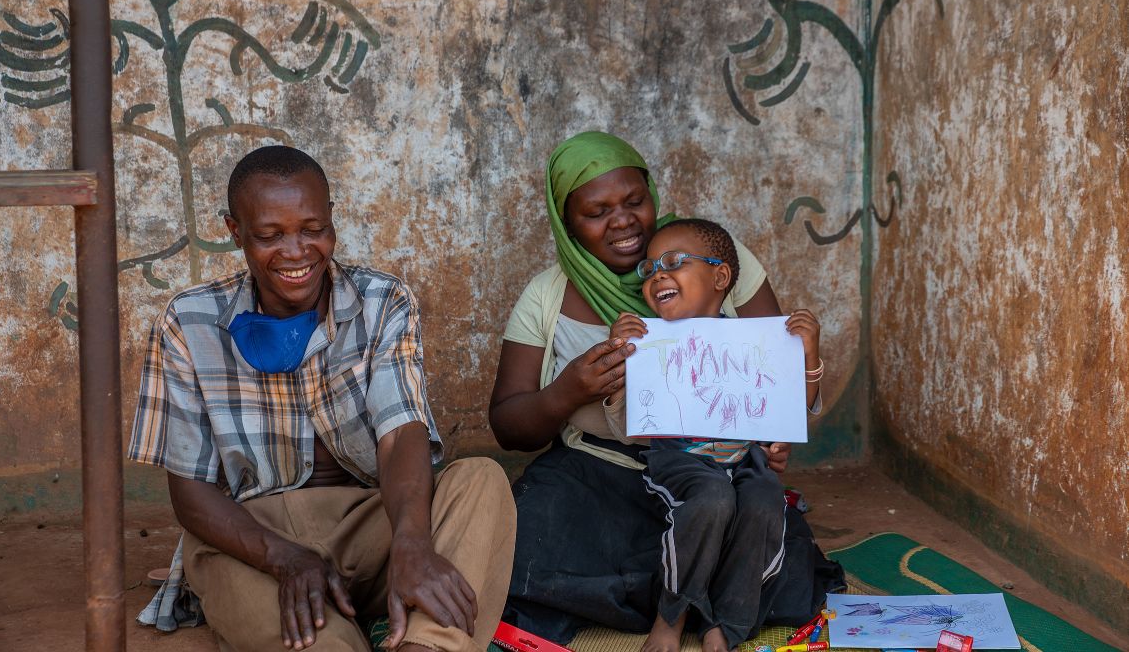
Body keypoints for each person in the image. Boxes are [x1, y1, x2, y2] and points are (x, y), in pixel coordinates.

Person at [128, 146, 516, 652]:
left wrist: (411, 543)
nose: (296, 252)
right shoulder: (189, 321)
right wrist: (286, 559)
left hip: (370, 522)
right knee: (316, 641)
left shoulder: (383, 301)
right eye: (269, 236)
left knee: (480, 480)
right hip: (250, 542)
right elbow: (191, 496)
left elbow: (401, 435)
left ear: (332, 221)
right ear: (234, 231)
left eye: (313, 229)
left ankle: (426, 645)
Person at [489, 131, 843, 645]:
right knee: (526, 539)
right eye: (596, 212)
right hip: (598, 473)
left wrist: (772, 433)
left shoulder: (714, 256)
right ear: (566, 224)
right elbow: (507, 423)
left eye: (635, 201)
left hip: (713, 467)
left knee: (765, 528)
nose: (623, 220)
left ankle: (683, 603)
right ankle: (687, 603)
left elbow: (773, 367)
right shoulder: (546, 296)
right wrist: (566, 392)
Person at [604, 218, 823, 652]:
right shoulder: (647, 338)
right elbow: (628, 417)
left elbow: (791, 406)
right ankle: (672, 616)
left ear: (720, 276)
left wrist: (808, 353)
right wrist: (619, 353)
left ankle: (724, 625)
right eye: (649, 270)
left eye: (672, 263)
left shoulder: (758, 341)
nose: (657, 275)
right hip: (682, 460)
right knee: (712, 499)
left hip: (744, 460)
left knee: (763, 504)